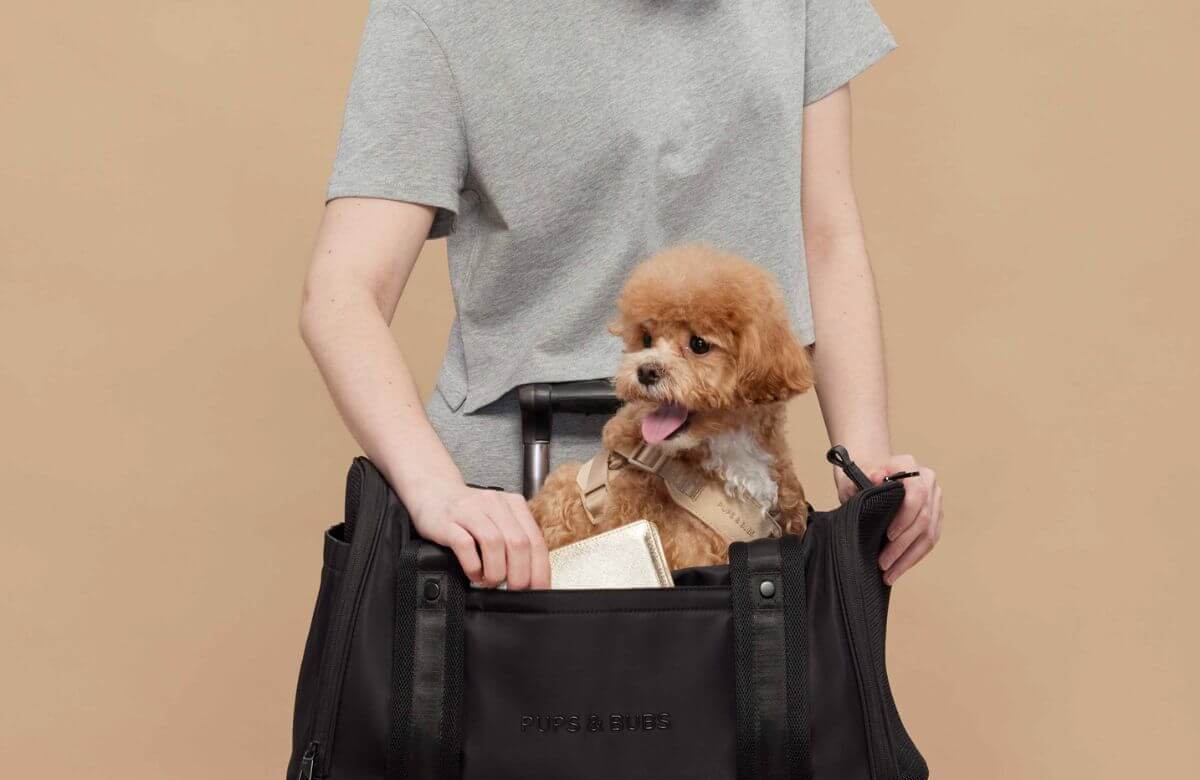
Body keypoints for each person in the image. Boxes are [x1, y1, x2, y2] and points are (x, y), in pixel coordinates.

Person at [300, 0, 942, 591]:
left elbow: (826, 238)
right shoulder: (438, 13)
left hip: (737, 514)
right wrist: (438, 490)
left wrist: (866, 466)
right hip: (514, 528)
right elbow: (343, 290)